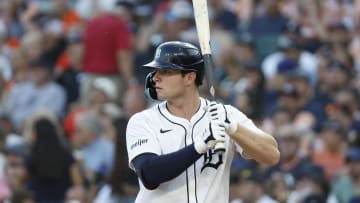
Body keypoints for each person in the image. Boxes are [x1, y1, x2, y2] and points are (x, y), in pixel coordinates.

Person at [126, 41, 279, 203]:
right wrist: (199, 145)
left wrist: (233, 128)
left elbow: (271, 155)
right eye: (156, 71)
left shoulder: (224, 115)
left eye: (166, 71)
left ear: (190, 77)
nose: (155, 77)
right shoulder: (143, 121)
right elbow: (149, 174)